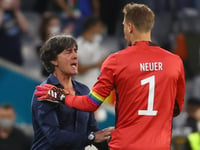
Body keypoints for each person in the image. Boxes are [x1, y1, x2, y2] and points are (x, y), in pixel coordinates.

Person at [35, 3, 185, 150]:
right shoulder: (174, 61)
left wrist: (61, 96)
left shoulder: (116, 61)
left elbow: (90, 104)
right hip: (159, 145)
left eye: (124, 25)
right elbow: (176, 108)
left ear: (130, 27)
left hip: (125, 145)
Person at [31, 35, 113, 150]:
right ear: (54, 60)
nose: (75, 56)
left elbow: (92, 130)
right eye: (68, 52)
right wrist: (91, 137)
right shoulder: (44, 92)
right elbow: (54, 137)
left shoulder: (84, 90)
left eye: (75, 51)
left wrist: (108, 136)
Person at [0, 0, 28, 65]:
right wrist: (2, 9)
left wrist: (16, 10)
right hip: (2, 52)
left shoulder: (16, 13)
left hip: (16, 51)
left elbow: (25, 28)